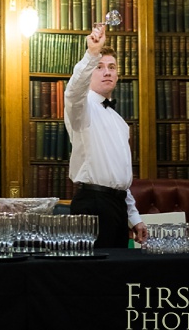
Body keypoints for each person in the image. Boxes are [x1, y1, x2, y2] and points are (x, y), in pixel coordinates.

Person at [64, 23, 148, 248]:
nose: (107, 71)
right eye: (99, 67)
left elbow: (120, 179)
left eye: (112, 67)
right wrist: (92, 53)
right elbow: (73, 91)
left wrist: (134, 217)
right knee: (93, 277)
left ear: (118, 74)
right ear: (90, 71)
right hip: (92, 204)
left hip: (117, 206)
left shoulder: (120, 122)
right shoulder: (82, 108)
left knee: (117, 276)